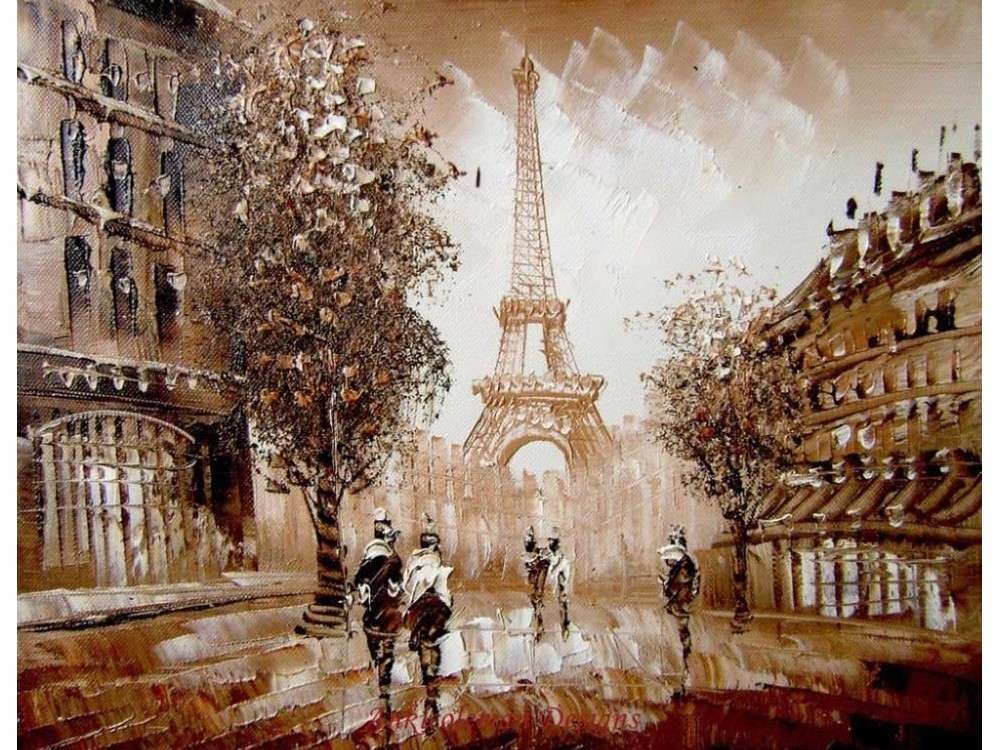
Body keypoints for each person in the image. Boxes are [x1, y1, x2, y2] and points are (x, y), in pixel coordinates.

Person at [403, 513, 453, 732]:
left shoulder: (414, 561)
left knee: (420, 625)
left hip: (419, 604)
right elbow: (442, 590)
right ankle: (433, 636)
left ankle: (418, 637)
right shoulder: (434, 562)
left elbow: (407, 585)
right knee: (441, 615)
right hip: (432, 603)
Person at [354, 507, 404, 728]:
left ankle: (381, 681)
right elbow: (395, 587)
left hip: (377, 611)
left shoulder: (373, 559)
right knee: (386, 647)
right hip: (387, 612)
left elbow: (361, 585)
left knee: (378, 645)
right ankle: (383, 685)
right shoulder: (390, 560)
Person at [659, 524, 701, 692]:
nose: (668, 561)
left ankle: (686, 676)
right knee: (681, 640)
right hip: (679, 606)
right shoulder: (681, 565)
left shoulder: (684, 566)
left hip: (682, 606)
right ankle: (683, 676)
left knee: (683, 641)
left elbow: (676, 587)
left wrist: (665, 585)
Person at [523, 526, 550, 641]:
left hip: (538, 586)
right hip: (535, 586)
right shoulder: (529, 558)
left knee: (537, 598)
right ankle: (537, 627)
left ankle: (539, 627)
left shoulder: (541, 560)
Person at [545, 528, 572, 640]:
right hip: (555, 585)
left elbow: (554, 573)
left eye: (552, 541)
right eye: (550, 540)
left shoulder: (562, 559)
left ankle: (565, 627)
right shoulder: (551, 555)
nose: (550, 543)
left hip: (561, 584)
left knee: (563, 603)